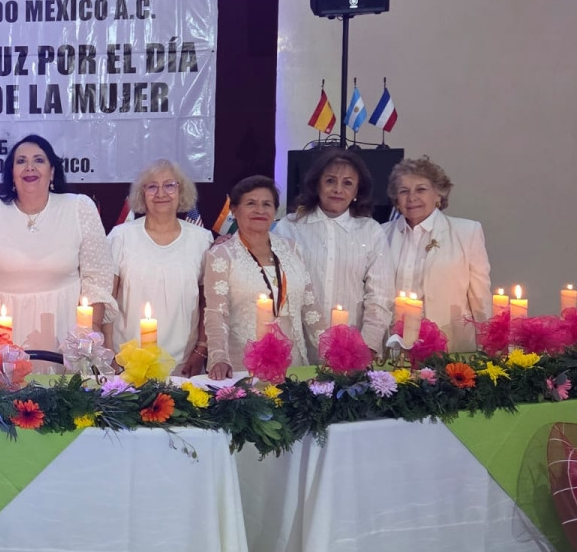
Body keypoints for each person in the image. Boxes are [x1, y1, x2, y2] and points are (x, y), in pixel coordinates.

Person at [0, 134, 116, 350]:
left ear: (52, 171)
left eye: (38, 160)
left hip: (65, 329)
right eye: (21, 161)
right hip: (1, 333)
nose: (30, 167)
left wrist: (92, 326)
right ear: (11, 173)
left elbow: (97, 274)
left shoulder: (80, 208)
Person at [273, 148, 394, 355]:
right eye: (330, 181)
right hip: (299, 346)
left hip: (352, 347)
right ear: (317, 184)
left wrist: (368, 345)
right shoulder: (290, 227)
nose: (338, 189)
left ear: (357, 191)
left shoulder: (371, 231)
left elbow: (380, 294)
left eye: (347, 183)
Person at [203, 176, 326, 379]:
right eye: (251, 203)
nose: (260, 210)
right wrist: (219, 357)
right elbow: (216, 313)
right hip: (246, 366)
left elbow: (311, 308)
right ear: (234, 210)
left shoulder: (292, 249)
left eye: (266, 204)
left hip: (294, 363)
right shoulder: (221, 255)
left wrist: (332, 354)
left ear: (274, 211)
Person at [105, 159, 212, 376]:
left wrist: (201, 349)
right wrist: (108, 353)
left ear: (181, 191)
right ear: (141, 194)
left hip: (183, 363)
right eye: (152, 186)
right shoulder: (120, 236)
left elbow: (207, 302)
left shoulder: (201, 239)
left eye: (169, 185)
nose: (161, 193)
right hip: (127, 361)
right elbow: (107, 300)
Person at [383, 156, 491, 352]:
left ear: (439, 194)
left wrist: (490, 347)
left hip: (450, 347)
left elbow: (480, 299)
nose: (412, 197)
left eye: (421, 189)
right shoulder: (380, 234)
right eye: (404, 191)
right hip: (394, 348)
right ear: (396, 199)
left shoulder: (467, 232)